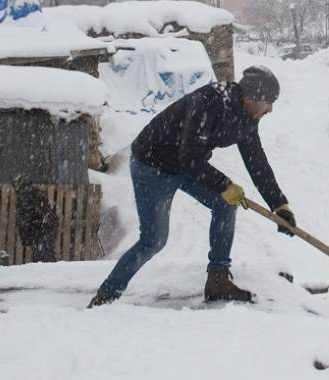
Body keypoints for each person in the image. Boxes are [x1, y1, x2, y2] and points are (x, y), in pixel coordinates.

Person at [88, 65, 297, 307]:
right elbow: (190, 158)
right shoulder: (209, 102)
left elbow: (256, 161)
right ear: (253, 97)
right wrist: (224, 184)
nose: (270, 109)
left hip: (185, 164)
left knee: (224, 205)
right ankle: (105, 296)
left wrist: (279, 204)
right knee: (153, 240)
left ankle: (218, 280)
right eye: (269, 102)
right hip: (152, 165)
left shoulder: (248, 117)